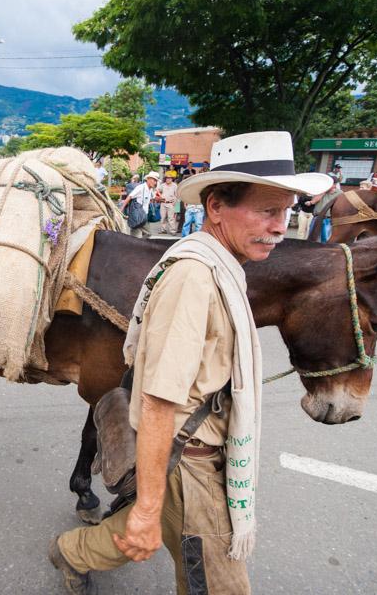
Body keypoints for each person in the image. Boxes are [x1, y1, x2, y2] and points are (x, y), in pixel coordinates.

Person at [49, 131, 332, 595]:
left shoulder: (222, 265)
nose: (282, 226)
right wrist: (143, 508)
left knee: (147, 534)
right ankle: (88, 543)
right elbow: (159, 400)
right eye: (267, 210)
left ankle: (73, 551)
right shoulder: (194, 279)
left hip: (200, 449)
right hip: (190, 461)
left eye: (286, 211)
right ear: (216, 206)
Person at [121, 171, 158, 238]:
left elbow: (152, 198)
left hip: (144, 215)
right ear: (148, 179)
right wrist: (122, 209)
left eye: (156, 181)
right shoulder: (140, 187)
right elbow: (129, 196)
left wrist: (164, 200)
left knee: (147, 234)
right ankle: (135, 246)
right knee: (136, 234)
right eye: (154, 180)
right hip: (137, 215)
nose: (155, 182)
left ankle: (141, 245)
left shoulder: (150, 189)